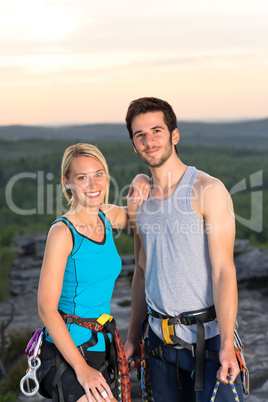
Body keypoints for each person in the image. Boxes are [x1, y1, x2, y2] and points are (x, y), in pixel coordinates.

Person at [124, 97, 244, 402]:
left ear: (174, 135)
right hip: (158, 346)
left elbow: (223, 271)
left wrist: (228, 344)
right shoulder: (140, 201)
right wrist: (132, 336)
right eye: (140, 135)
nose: (149, 141)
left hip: (211, 341)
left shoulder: (207, 189)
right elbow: (141, 270)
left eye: (156, 131)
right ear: (133, 144)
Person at [37, 143, 149, 402]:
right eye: (82, 177)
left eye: (99, 174)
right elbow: (46, 308)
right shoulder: (63, 232)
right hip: (68, 350)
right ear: (67, 182)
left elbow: (141, 212)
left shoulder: (106, 216)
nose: (93, 184)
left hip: (101, 346)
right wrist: (81, 369)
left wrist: (141, 178)